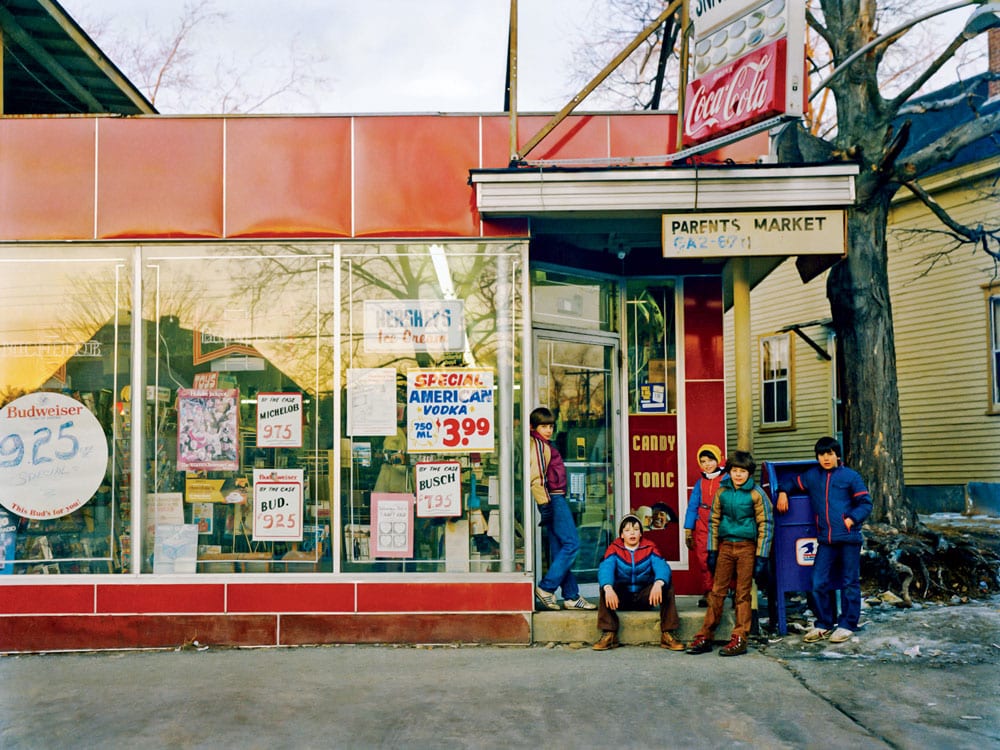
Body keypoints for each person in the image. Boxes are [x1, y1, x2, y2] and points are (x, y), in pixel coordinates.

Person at [775, 436, 872, 645]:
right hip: (826, 540)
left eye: (830, 454)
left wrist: (851, 519)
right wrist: (782, 492)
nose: (826, 458)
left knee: (849, 583)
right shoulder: (812, 476)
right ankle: (824, 623)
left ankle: (847, 625)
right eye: (821, 455)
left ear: (837, 455)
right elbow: (791, 482)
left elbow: (865, 503)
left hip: (848, 538)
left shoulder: (850, 476)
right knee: (818, 581)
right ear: (817, 457)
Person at [687, 450, 773, 657]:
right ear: (729, 472)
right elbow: (713, 521)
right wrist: (712, 550)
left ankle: (740, 637)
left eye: (742, 471)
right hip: (725, 546)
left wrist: (762, 555)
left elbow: (766, 524)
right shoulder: (722, 491)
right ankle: (706, 634)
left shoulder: (756, 493)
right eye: (735, 470)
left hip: (746, 547)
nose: (738, 475)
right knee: (717, 591)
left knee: (742, 594)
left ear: (749, 473)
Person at [529, 406, 595, 611]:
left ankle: (571, 595)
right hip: (553, 499)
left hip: (552, 498)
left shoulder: (544, 444)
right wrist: (545, 504)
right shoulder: (539, 446)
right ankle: (546, 588)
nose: (548, 430)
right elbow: (536, 477)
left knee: (560, 549)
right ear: (534, 427)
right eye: (544, 426)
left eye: (551, 426)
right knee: (572, 544)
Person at [592, 514, 685, 651]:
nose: (632, 533)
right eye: (628, 530)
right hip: (622, 599)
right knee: (605, 587)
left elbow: (662, 566)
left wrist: (658, 583)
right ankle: (609, 633)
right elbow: (606, 568)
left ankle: (668, 633)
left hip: (644, 597)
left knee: (667, 583)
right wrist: (608, 587)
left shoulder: (649, 547)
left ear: (641, 533)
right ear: (622, 534)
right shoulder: (614, 548)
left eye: (636, 529)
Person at [683, 444, 726, 607]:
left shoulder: (727, 479)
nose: (707, 464)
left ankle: (729, 591)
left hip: (722, 524)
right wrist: (688, 531)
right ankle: (709, 592)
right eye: (703, 461)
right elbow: (693, 506)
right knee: (704, 559)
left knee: (725, 558)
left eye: (710, 460)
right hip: (702, 525)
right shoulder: (699, 483)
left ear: (718, 459)